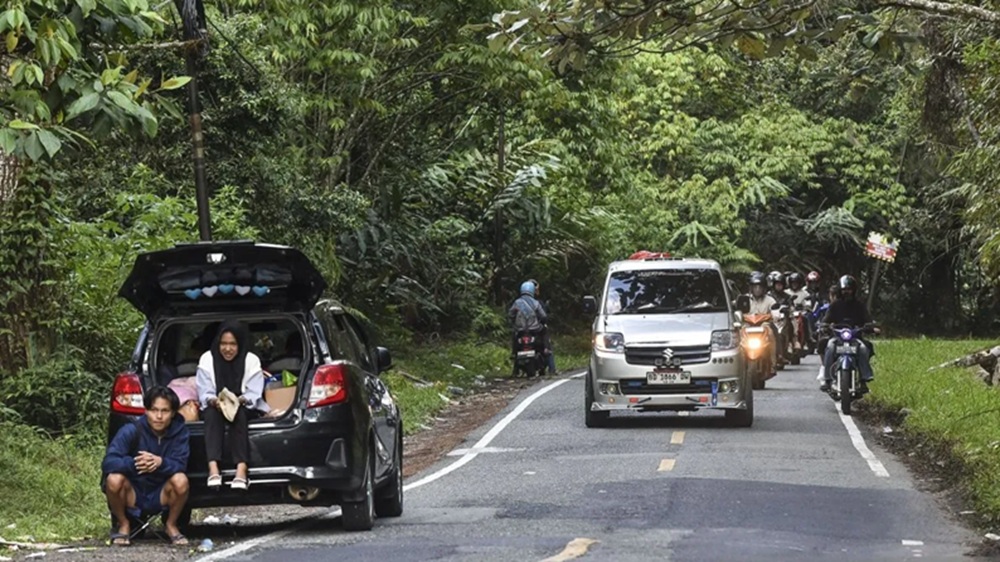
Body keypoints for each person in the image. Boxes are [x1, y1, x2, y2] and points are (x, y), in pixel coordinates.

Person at [102, 386, 191, 547]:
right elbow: (108, 462)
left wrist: (160, 463)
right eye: (153, 410)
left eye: (164, 411)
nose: (158, 416)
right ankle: (123, 524)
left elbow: (181, 464)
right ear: (146, 411)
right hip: (134, 491)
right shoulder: (131, 430)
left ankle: (171, 525)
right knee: (113, 479)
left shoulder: (180, 432)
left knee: (181, 480)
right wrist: (135, 463)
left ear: (173, 413)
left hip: (162, 491)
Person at [196, 321, 270, 491]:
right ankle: (213, 468)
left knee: (239, 414)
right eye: (223, 343)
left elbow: (254, 393)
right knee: (210, 415)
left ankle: (241, 470)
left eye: (232, 344)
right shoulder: (207, 359)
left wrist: (237, 401)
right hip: (216, 404)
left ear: (240, 344)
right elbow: (204, 392)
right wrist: (217, 402)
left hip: (244, 404)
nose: (227, 349)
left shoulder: (251, 360)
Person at [820, 275, 875, 392]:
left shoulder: (859, 305)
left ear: (854, 290)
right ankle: (827, 379)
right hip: (838, 337)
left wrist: (869, 326)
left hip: (855, 338)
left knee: (864, 349)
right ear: (840, 290)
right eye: (844, 290)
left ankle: (864, 379)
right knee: (830, 347)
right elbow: (826, 319)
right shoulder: (835, 305)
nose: (847, 292)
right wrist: (824, 326)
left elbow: (867, 319)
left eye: (849, 289)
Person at [508, 281, 549, 371]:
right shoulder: (536, 303)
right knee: (545, 331)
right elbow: (543, 316)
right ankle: (546, 349)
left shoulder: (517, 302)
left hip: (520, 330)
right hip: (534, 329)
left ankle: (514, 353)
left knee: (514, 336)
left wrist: (514, 323)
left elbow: (510, 315)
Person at [743, 271, 780, 368]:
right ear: (751, 288)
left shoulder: (769, 300)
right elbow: (737, 307)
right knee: (738, 335)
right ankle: (739, 362)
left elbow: (775, 309)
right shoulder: (745, 299)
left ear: (764, 288)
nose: (757, 289)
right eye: (755, 287)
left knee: (771, 333)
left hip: (764, 325)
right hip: (748, 325)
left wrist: (775, 315)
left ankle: (773, 363)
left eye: (760, 287)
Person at [528, 278, 556, 375]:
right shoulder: (538, 303)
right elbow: (544, 316)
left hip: (522, 330)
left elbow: (511, 315)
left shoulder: (519, 302)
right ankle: (552, 369)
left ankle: (515, 369)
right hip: (536, 329)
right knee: (547, 345)